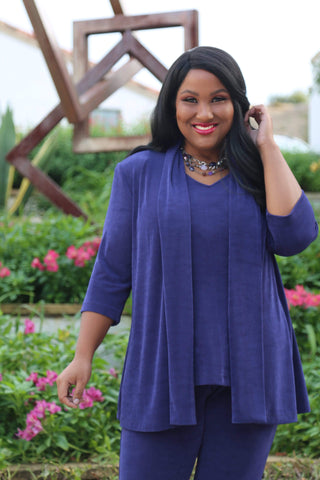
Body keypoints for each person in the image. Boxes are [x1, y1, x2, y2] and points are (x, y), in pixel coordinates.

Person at [57, 46, 318, 480]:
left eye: (218, 98)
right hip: (161, 371)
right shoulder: (138, 173)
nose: (204, 112)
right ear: (171, 104)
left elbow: (295, 237)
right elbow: (111, 273)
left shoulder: (258, 170)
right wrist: (82, 356)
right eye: (190, 99)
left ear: (237, 103)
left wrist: (267, 145)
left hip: (250, 375)